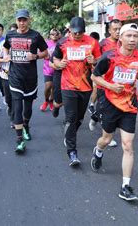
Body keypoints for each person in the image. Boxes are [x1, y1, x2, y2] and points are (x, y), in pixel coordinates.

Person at [90, 23, 138, 201]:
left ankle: (125, 186)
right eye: (129, 36)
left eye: (135, 36)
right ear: (121, 37)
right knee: (107, 139)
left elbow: (137, 73)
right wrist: (110, 86)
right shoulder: (109, 57)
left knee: (127, 145)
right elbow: (95, 76)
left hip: (130, 104)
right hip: (109, 103)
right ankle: (98, 150)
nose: (132, 40)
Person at [53, 17, 101, 166]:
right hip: (68, 85)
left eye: (80, 32)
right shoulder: (62, 43)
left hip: (86, 86)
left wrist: (94, 61)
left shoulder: (92, 42)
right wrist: (59, 63)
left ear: (84, 31)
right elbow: (54, 59)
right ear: (69, 31)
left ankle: (69, 134)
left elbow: (99, 61)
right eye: (74, 32)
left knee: (79, 118)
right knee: (71, 117)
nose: (77, 35)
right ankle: (72, 153)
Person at [2, 9, 48, 153]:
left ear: (29, 20)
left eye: (24, 20)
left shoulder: (35, 35)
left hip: (30, 78)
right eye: (19, 20)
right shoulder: (10, 35)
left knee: (27, 108)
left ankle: (26, 125)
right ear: (16, 21)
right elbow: (5, 47)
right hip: (15, 77)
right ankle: (19, 141)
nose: (21, 23)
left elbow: (45, 52)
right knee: (17, 107)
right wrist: (6, 56)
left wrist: (34, 57)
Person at [89, 20, 122, 149]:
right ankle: (108, 136)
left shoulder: (124, 43)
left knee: (114, 109)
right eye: (115, 29)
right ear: (109, 30)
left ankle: (95, 116)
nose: (118, 32)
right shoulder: (103, 44)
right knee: (106, 109)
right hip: (104, 81)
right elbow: (95, 59)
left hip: (119, 82)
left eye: (119, 29)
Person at [0, 23, 18, 126]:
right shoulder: (3, 44)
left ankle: (14, 119)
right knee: (8, 98)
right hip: (5, 74)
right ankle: (9, 107)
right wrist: (3, 60)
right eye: (11, 32)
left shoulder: (21, 44)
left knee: (16, 98)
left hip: (18, 75)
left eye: (15, 31)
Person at [50, 28, 69, 118]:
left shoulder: (80, 47)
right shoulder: (60, 46)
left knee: (70, 101)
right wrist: (59, 65)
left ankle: (69, 119)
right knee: (58, 102)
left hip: (73, 78)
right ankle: (56, 107)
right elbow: (51, 63)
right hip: (59, 76)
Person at [40, 28, 60, 112]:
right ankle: (46, 101)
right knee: (48, 86)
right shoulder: (46, 44)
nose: (54, 36)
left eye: (56, 34)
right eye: (52, 34)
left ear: (59, 35)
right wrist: (46, 56)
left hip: (57, 69)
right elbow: (42, 54)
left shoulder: (60, 44)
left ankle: (51, 101)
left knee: (54, 87)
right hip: (48, 69)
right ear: (50, 35)